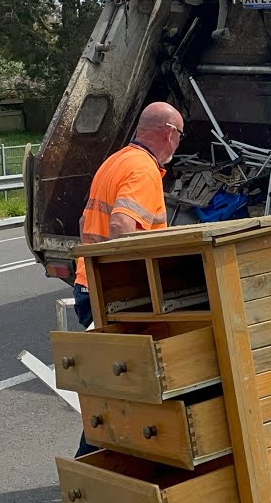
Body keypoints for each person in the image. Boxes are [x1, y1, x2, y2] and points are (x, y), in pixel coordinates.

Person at [73, 101, 183, 456]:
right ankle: (95, 469)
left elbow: (84, 224)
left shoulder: (115, 161)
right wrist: (136, 289)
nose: (178, 145)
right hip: (113, 295)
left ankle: (102, 466)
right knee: (126, 390)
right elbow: (122, 225)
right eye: (179, 137)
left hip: (88, 285)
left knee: (118, 388)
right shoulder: (144, 170)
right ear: (168, 133)